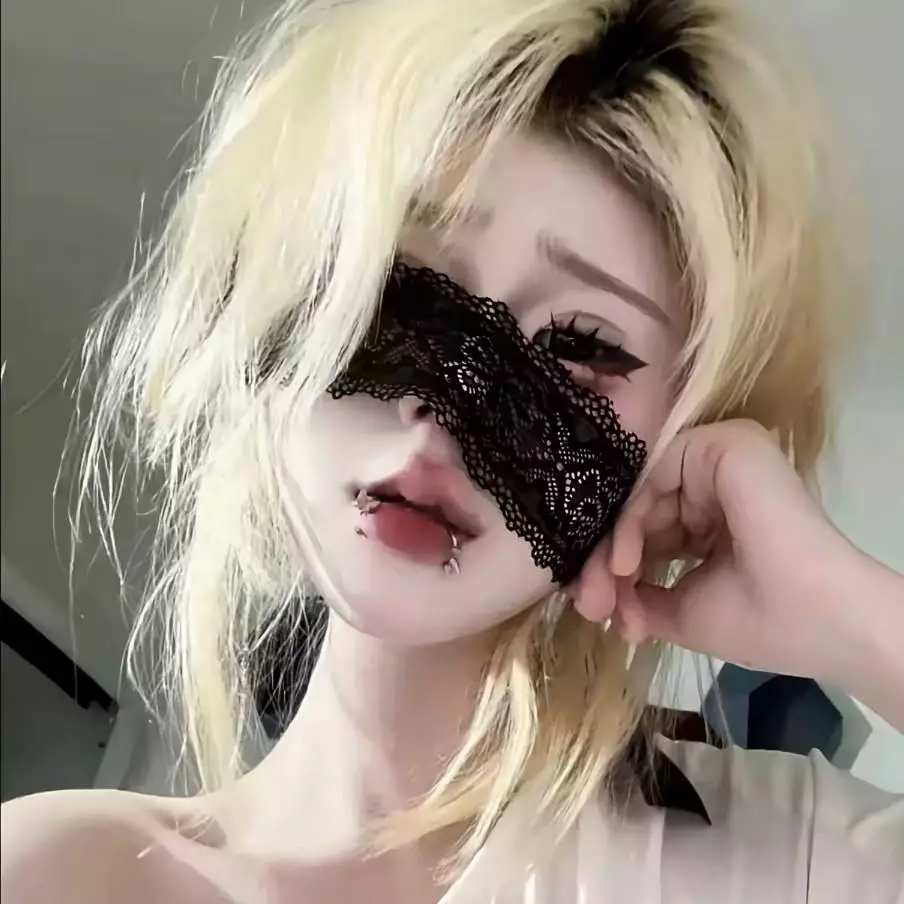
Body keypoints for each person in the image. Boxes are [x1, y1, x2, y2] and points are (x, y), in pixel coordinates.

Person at [2, 0, 902, 901]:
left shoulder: (793, 859)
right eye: (407, 286)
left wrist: (853, 616)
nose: (443, 411)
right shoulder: (55, 871)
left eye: (577, 349)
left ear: (678, 442)